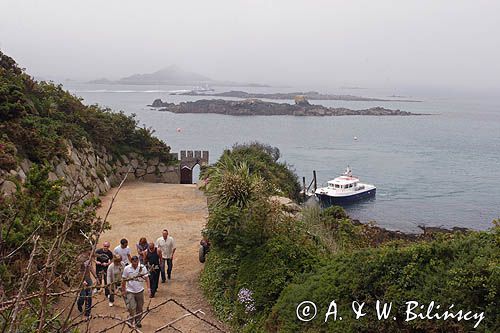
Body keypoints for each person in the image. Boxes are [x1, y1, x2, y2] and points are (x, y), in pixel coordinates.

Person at [121, 255, 150, 328]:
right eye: (134, 263)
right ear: (131, 262)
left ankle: (138, 321)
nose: (136, 265)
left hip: (140, 291)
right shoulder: (127, 269)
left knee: (140, 307)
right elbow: (124, 280)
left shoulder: (142, 268)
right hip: (130, 291)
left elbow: (146, 278)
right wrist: (123, 290)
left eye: (137, 263)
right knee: (131, 307)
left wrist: (149, 288)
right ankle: (130, 320)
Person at [77, 252, 96, 319]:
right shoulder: (79, 262)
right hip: (81, 281)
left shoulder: (88, 260)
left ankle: (87, 313)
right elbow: (78, 273)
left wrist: (96, 277)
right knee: (83, 296)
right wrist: (82, 281)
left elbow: (91, 268)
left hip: (88, 279)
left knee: (89, 296)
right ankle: (79, 303)